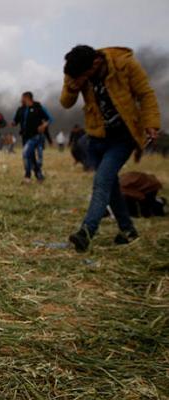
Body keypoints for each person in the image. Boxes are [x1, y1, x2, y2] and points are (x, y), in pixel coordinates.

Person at [60, 45, 160, 252]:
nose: (80, 79)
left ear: (95, 63)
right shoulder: (76, 71)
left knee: (102, 182)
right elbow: (66, 103)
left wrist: (151, 123)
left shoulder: (124, 64)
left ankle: (86, 232)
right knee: (111, 187)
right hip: (97, 136)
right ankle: (128, 230)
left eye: (83, 76)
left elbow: (145, 94)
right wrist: (72, 87)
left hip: (123, 138)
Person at [12, 92, 52, 184]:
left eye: (22, 98)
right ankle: (39, 176)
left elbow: (50, 118)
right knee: (31, 157)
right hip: (25, 136)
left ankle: (27, 177)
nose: (21, 100)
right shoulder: (20, 109)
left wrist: (44, 125)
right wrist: (13, 123)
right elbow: (15, 120)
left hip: (35, 136)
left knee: (26, 154)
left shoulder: (38, 107)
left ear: (27, 98)